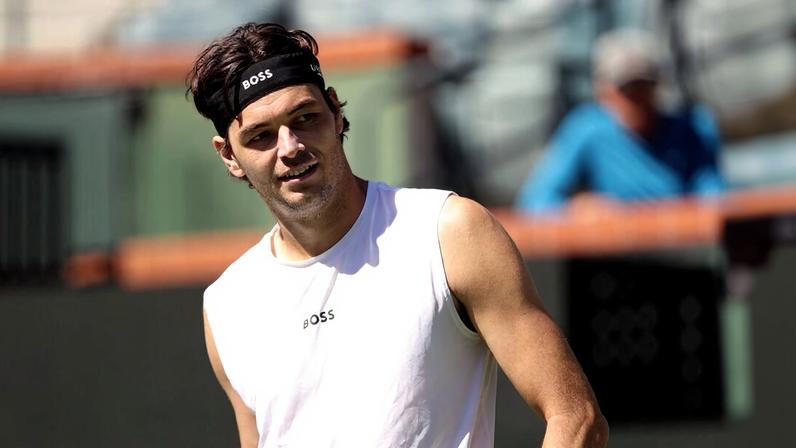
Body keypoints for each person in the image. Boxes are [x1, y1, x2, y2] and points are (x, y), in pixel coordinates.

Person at [187, 22, 608, 448]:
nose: (290, 145)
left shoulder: (449, 230)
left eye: (305, 118)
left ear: (335, 112)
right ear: (229, 156)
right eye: (260, 136)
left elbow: (576, 419)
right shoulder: (226, 304)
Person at [515, 28, 725, 214]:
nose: (637, 98)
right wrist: (577, 210)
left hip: (686, 246)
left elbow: (713, 198)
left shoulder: (695, 126)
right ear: (602, 90)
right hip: (617, 253)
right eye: (626, 88)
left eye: (645, 85)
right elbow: (535, 202)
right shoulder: (586, 129)